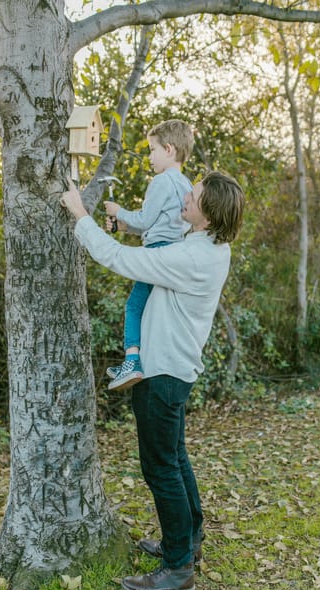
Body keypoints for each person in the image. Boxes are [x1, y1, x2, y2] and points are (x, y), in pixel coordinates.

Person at [60, 170, 245, 590]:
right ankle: (188, 540)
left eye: (193, 197)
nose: (185, 196)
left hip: (162, 372)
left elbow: (123, 260)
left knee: (159, 467)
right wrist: (127, 220)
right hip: (175, 370)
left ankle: (178, 568)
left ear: (208, 214)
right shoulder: (208, 245)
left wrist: (80, 215)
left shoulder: (192, 257)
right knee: (175, 459)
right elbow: (157, 236)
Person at [103, 119, 194, 392]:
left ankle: (132, 360)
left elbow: (144, 221)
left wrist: (118, 211)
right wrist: (123, 226)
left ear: (168, 149)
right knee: (154, 310)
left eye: (152, 150)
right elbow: (159, 225)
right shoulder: (186, 184)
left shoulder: (161, 182)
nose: (149, 156)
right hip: (173, 252)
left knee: (134, 306)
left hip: (155, 253)